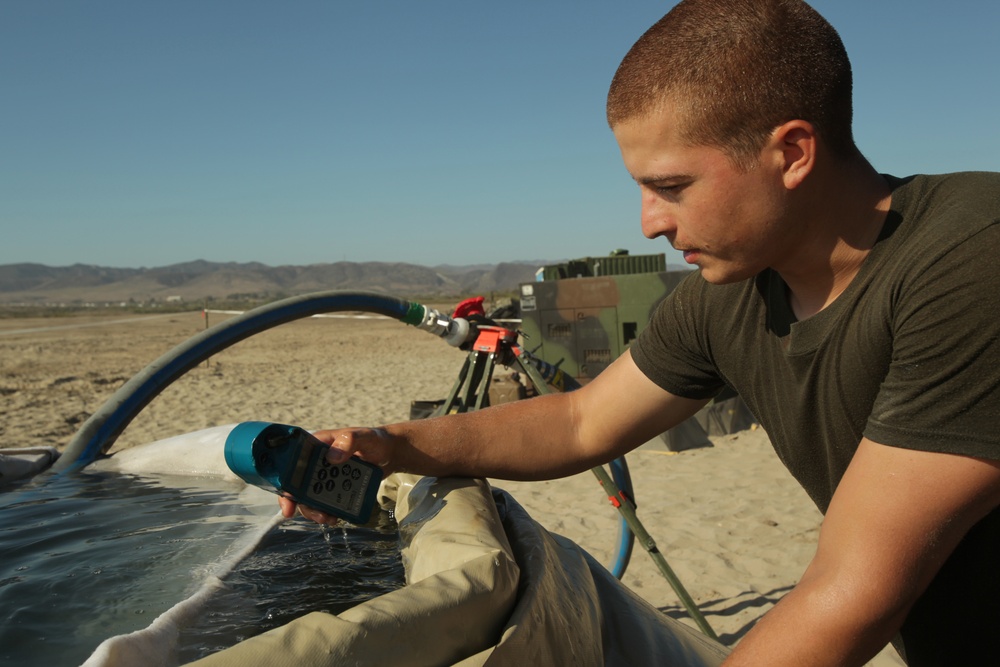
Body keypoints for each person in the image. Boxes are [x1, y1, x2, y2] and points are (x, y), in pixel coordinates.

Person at [282, 1, 1000, 664]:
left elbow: (854, 589)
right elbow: (580, 420)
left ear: (793, 152)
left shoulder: (972, 257)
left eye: (673, 187)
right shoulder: (733, 294)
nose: (650, 222)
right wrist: (390, 446)